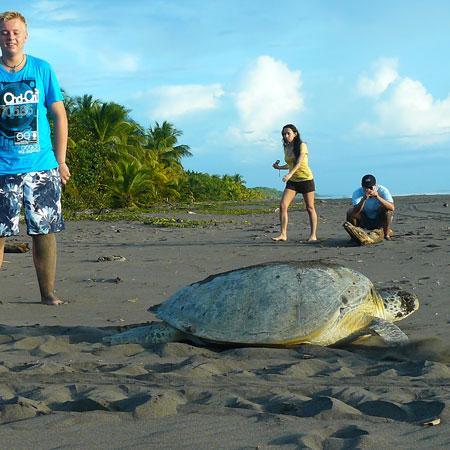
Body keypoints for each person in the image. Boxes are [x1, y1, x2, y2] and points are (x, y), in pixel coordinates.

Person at [0, 11, 70, 305]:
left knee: (44, 231)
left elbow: (59, 115)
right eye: (5, 32)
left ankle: (47, 293)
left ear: (25, 35)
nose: (10, 37)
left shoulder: (42, 69)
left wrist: (61, 160)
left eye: (16, 32)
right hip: (2, 168)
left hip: (41, 166)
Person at [271, 124, 318, 242]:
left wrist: (290, 174)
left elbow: (299, 162)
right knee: (283, 205)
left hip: (306, 179)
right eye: (283, 134)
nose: (286, 136)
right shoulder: (287, 148)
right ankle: (283, 234)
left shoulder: (302, 145)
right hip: (293, 182)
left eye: (288, 133)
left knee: (310, 207)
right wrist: (279, 167)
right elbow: (290, 164)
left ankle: (313, 235)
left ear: (295, 134)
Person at [345, 174, 394, 241]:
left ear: (375, 185)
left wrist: (377, 197)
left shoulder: (383, 190)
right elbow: (355, 212)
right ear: (362, 186)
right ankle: (354, 236)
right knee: (350, 212)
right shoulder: (357, 192)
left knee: (388, 211)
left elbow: (392, 207)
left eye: (371, 187)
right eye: (366, 187)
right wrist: (363, 199)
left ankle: (386, 235)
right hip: (364, 219)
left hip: (379, 219)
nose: (368, 189)